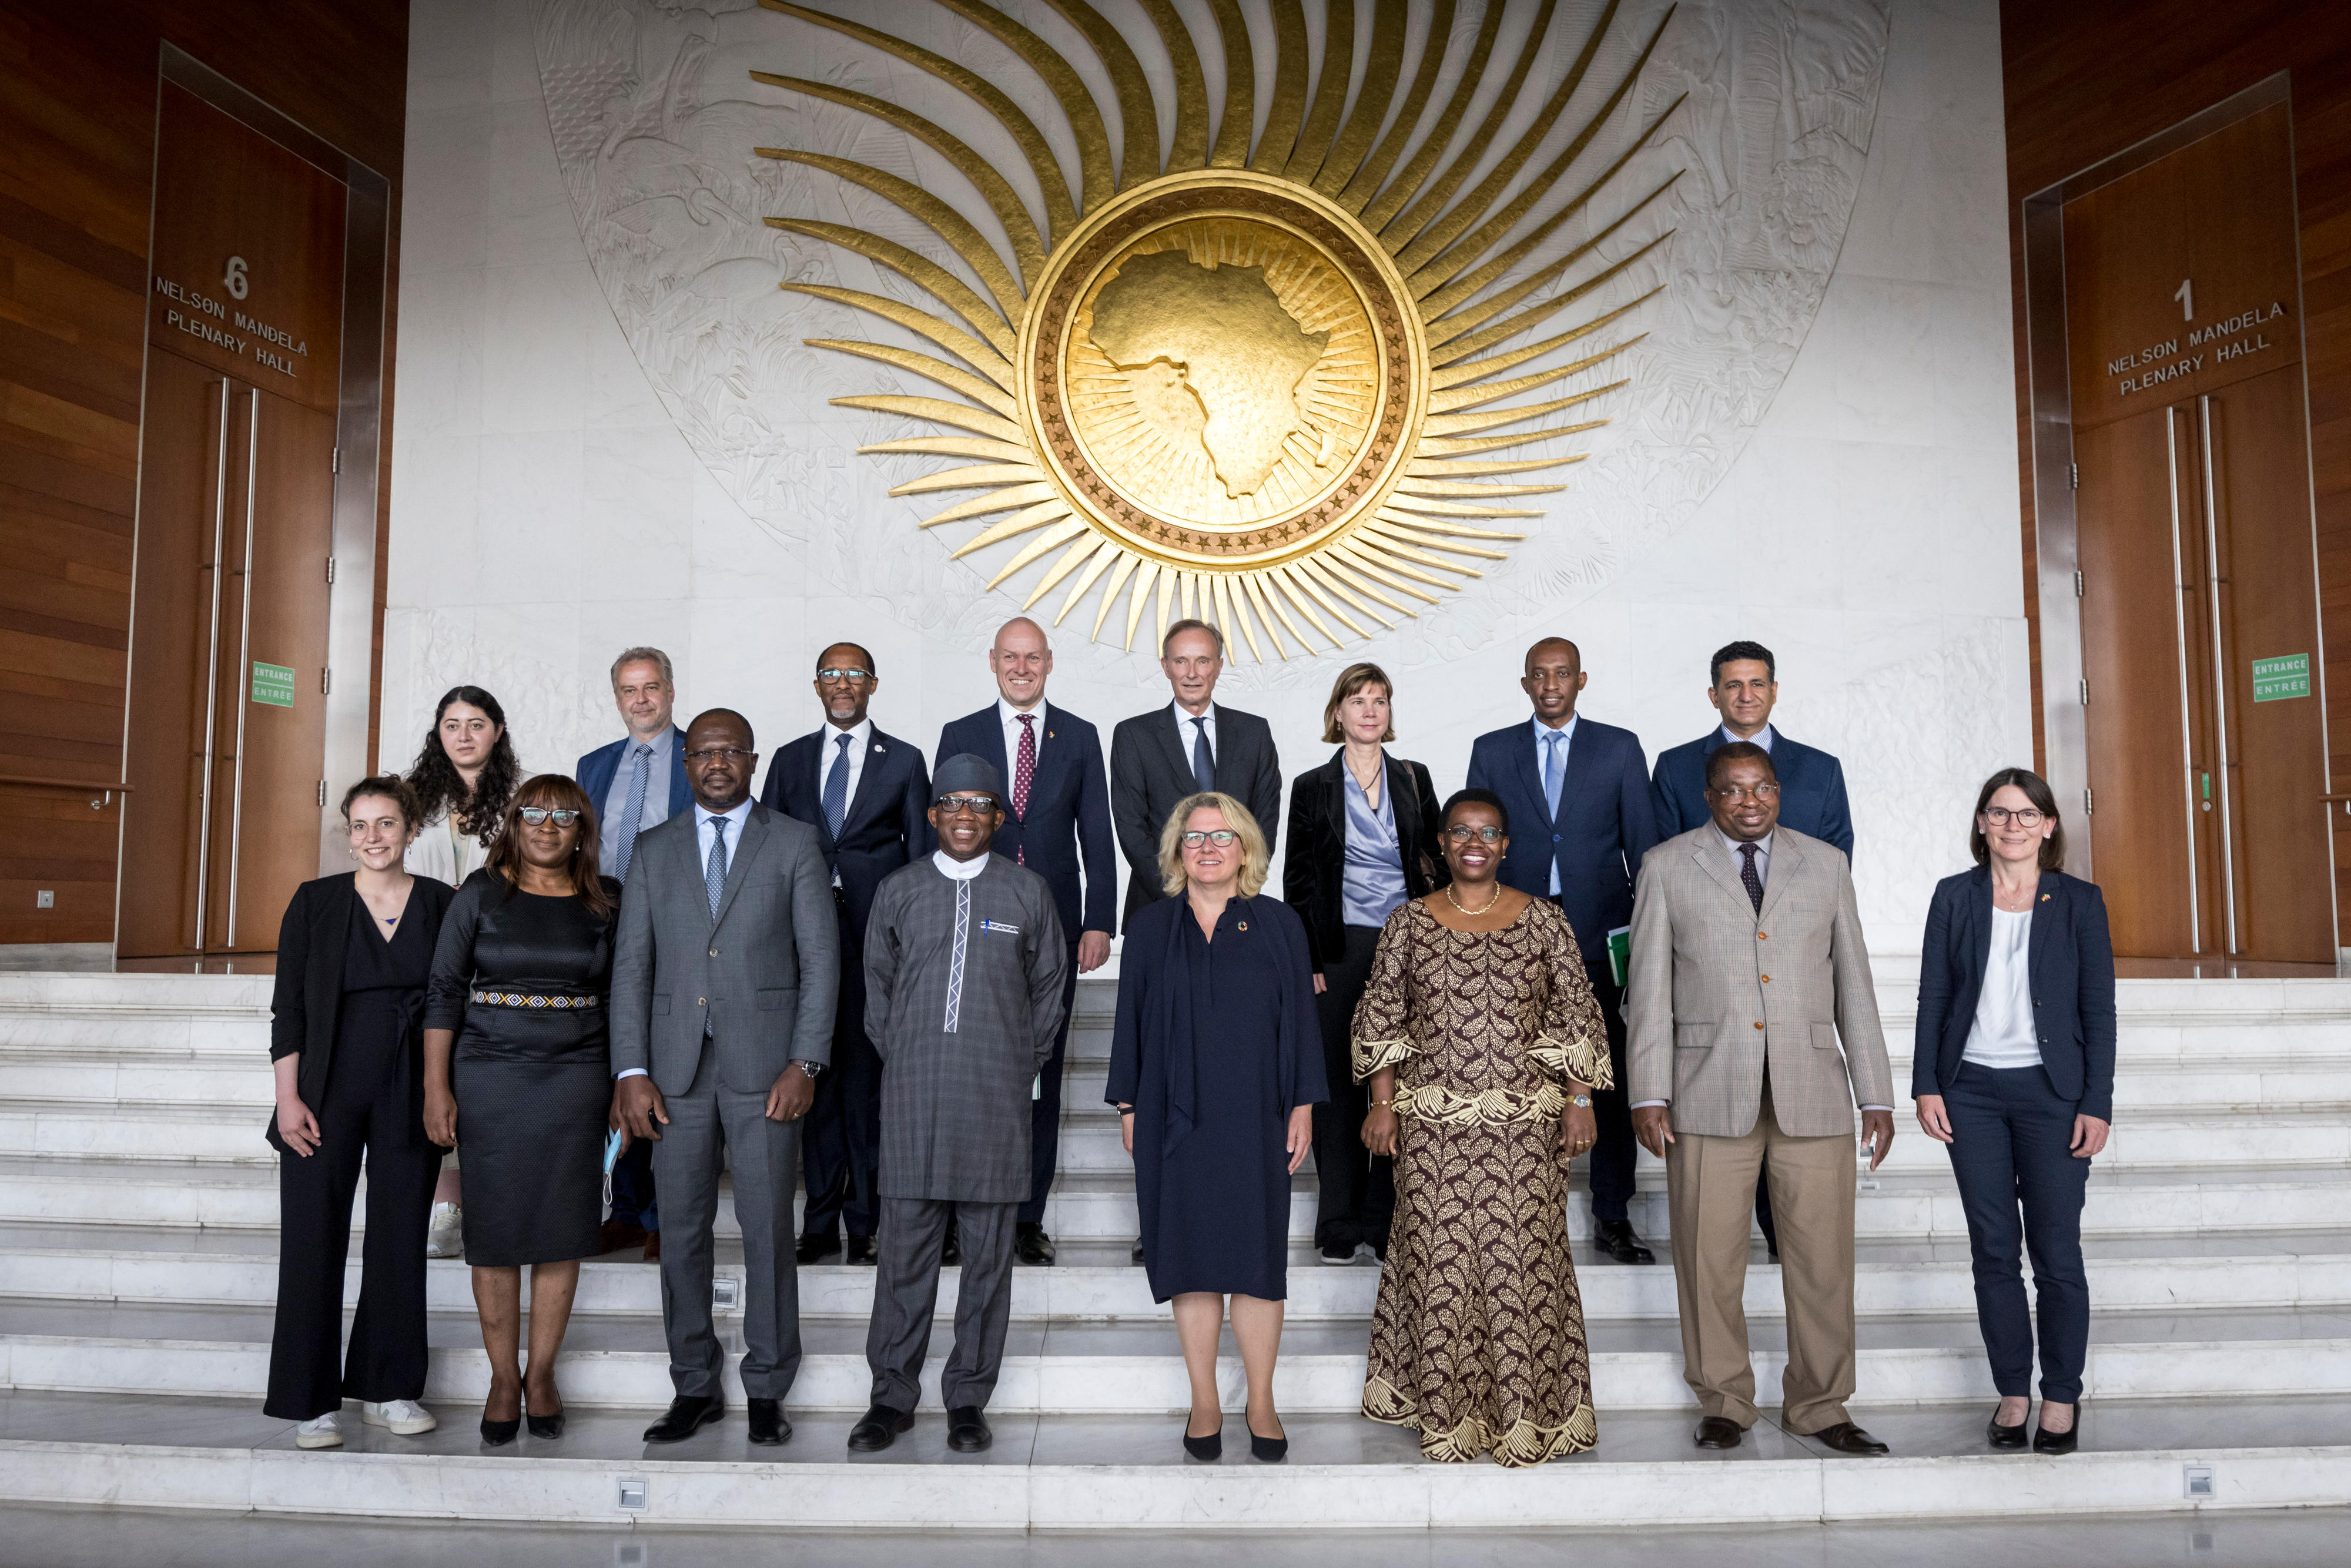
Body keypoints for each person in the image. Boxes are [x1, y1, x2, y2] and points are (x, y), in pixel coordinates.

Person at [1625, 742, 1896, 1457]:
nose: (1750, 801)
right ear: (1709, 797)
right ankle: (1724, 1400)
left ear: (1779, 791)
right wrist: (1647, 1091)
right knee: (1707, 1255)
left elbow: (1854, 985)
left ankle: (1819, 1402)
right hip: (1706, 1089)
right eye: (1733, 790)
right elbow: (1647, 989)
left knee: (1823, 1259)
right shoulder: (1666, 865)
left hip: (1812, 1091)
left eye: (1762, 787)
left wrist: (1876, 1092)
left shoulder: (1825, 864)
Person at [1352, 789, 1610, 1467]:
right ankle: (1444, 1417)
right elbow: (1382, 1015)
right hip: (1431, 1130)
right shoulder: (1407, 923)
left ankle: (1530, 1416)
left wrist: (1580, 1098)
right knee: (1438, 1268)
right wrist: (1382, 1103)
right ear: (1441, 843)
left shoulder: (1544, 920)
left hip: (1525, 1131)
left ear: (1505, 845)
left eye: (1488, 831)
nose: (1474, 841)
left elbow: (1575, 1010)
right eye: (1460, 831)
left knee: (1520, 1269)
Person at [609, 709, 838, 1448]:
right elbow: (633, 967)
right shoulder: (652, 849)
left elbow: (820, 963)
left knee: (769, 1229)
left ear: (751, 759)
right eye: (703, 752)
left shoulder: (795, 842)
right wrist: (632, 1069)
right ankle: (694, 1384)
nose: (716, 763)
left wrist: (805, 1062)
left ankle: (768, 1387)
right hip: (673, 1074)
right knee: (679, 1233)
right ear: (686, 764)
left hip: (767, 1069)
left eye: (730, 752)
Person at [849, 755, 1067, 1456]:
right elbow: (876, 992)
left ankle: (968, 1397)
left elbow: (1049, 989)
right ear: (934, 814)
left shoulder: (1028, 891)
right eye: (952, 803)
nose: (966, 815)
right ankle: (891, 1396)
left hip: (996, 1100)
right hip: (913, 1095)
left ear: (998, 817)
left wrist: (1014, 1063)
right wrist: (910, 1054)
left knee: (985, 1262)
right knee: (904, 1257)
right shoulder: (899, 889)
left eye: (980, 803)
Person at [1108, 792, 1323, 1463]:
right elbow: (1129, 1022)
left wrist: (1303, 1104)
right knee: (1191, 1260)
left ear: (1245, 850)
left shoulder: (1280, 924)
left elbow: (1300, 1022)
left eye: (1221, 837)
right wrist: (1129, 1107)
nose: (1207, 848)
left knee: (1256, 1264)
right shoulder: (1147, 929)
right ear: (1177, 851)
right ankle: (1205, 1399)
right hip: (1172, 1116)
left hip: (1256, 1112)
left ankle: (1260, 1398)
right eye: (1194, 837)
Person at [1913, 769, 2115, 1456]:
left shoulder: (2079, 902)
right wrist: (1926, 1084)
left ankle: (2060, 1394)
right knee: (1992, 1251)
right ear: (1980, 824)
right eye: (1998, 814)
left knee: (2057, 1253)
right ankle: (2012, 1390)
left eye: (2027, 815)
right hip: (1969, 1092)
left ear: (2050, 826)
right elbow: (1933, 997)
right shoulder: (1953, 896)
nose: (2012, 826)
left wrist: (2097, 1101)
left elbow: (2098, 1012)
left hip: (2052, 1095)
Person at [420, 776, 619, 1444]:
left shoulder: (606, 900)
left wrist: (624, 1084)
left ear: (582, 829)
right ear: (514, 821)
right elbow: (445, 989)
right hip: (491, 1076)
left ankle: (542, 1375)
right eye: (534, 812)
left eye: (564, 815)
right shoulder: (481, 893)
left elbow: (626, 998)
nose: (547, 825)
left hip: (576, 1078)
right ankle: (504, 1378)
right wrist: (435, 1086)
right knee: (498, 1232)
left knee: (562, 1231)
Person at [264, 776, 456, 1450]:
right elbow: (288, 1007)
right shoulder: (314, 903)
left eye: (386, 823)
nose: (373, 836)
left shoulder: (442, 902)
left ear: (410, 829)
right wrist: (288, 1097)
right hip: (325, 1088)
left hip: (412, 1084)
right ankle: (309, 1401)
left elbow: (450, 1004)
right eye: (361, 825)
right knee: (313, 1238)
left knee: (400, 1235)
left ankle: (388, 1387)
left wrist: (443, 1090)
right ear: (348, 832)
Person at [1648, 640, 1854, 1261]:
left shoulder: (1819, 768)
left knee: (1800, 1182)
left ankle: (1782, 1232)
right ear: (1713, 694)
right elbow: (1667, 867)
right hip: (1717, 1006)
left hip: (1796, 994)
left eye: (1756, 683)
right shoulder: (1677, 765)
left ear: (1773, 689)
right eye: (1732, 685)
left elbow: (1840, 861)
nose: (1745, 694)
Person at [1464, 637, 1660, 1265]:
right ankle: (1515, 1213)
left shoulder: (1619, 747)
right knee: (1513, 1076)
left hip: (1599, 937)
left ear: (1581, 680)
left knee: (1604, 1077)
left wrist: (1648, 943)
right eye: (1539, 675)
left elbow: (1647, 850)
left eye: (1562, 674)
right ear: (1525, 683)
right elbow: (1474, 846)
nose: (1550, 684)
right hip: (1511, 938)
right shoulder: (1492, 751)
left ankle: (1612, 1212)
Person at [937, 618, 1114, 1267]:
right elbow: (941, 830)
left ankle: (1025, 1219)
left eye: (1031, 657)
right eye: (1010, 657)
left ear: (1048, 662)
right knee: (965, 1075)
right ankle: (959, 1215)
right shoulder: (961, 734)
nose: (1020, 667)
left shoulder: (1080, 736)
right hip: (972, 919)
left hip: (1053, 928)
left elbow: (1097, 835)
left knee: (1040, 1074)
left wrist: (1098, 920)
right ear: (992, 661)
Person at [762, 641, 933, 1269]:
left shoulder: (907, 761)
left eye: (853, 673)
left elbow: (921, 861)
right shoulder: (788, 761)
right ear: (816, 686)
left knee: (865, 1087)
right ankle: (818, 1222)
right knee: (813, 1083)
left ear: (873, 684)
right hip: (800, 948)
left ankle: (866, 1224)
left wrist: (915, 946)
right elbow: (767, 853)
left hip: (875, 946)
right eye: (831, 674)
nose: (842, 683)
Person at [1280, 661, 1444, 1266]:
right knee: (1337, 1080)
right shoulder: (1310, 786)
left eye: (1379, 699)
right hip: (1339, 946)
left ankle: (1384, 1215)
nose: (1370, 709)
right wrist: (1310, 954)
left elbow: (1436, 865)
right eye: (1358, 699)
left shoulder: (1414, 777)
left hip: (1408, 943)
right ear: (1338, 714)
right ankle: (1338, 1217)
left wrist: (1438, 943)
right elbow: (1297, 879)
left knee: (1399, 1080)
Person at [575, 647, 691, 1261]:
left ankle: (659, 1214)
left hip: (675, 933)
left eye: (651, 688)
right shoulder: (592, 766)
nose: (640, 699)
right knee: (612, 1070)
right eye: (628, 690)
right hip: (604, 929)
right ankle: (621, 1207)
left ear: (670, 692)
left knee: (661, 1072)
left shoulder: (699, 753)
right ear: (617, 698)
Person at [405, 684, 521, 1257]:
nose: (464, 735)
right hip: (425, 954)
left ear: (497, 730)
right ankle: (445, 1207)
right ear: (438, 733)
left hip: (494, 956)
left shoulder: (521, 801)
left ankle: (491, 1202)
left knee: (482, 1085)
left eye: (476, 723)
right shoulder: (411, 799)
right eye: (452, 724)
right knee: (432, 1079)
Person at [1110, 618, 1284, 932]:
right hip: (1158, 907)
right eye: (1181, 661)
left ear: (1218, 666)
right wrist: (1185, 896)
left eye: (1202, 661)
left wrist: (1234, 891)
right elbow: (1131, 828)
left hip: (1239, 907)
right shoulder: (1134, 736)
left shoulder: (1254, 733)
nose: (1192, 673)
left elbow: (1264, 821)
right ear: (1166, 667)